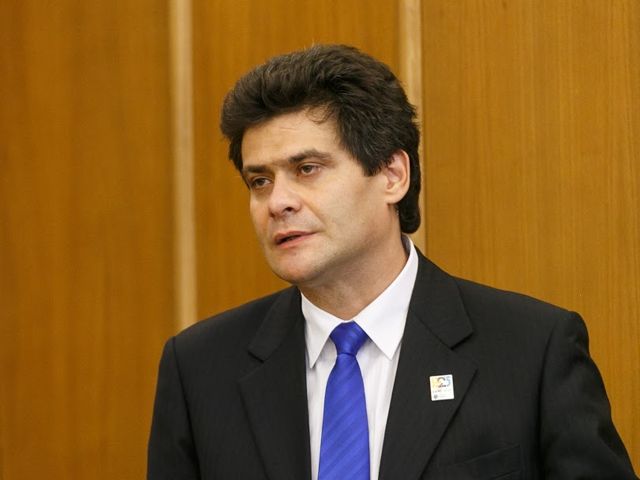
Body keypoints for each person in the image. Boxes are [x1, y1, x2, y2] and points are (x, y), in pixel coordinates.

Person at [148, 44, 637, 480]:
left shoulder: (531, 351)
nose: (278, 202)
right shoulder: (200, 370)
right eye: (260, 181)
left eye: (307, 169)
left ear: (392, 175)